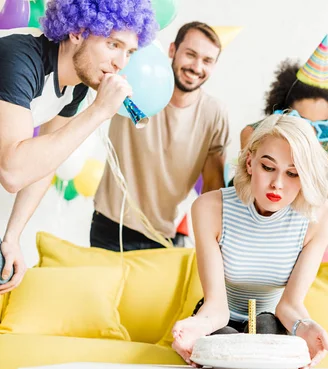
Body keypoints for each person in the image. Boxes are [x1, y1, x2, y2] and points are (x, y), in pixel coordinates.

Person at [171, 113, 328, 369]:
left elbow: (290, 306)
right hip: (220, 319)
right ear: (250, 162)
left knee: (266, 326)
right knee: (223, 344)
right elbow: (216, 307)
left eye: (292, 173)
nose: (277, 184)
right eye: (268, 167)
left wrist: (306, 327)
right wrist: (196, 325)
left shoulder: (320, 217)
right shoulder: (210, 208)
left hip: (274, 321)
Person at [0, 0, 158, 294]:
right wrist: (97, 111)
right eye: (113, 44)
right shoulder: (19, 58)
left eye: (129, 52)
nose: (121, 63)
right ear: (77, 31)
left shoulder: (77, 84)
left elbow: (47, 161)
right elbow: (12, 171)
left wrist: (12, 237)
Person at [90, 22, 230, 251]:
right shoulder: (132, 84)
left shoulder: (215, 114)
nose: (196, 67)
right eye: (190, 55)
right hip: (110, 225)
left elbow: (213, 189)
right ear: (172, 50)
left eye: (207, 61)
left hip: (164, 235)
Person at [239, 35, 328, 165]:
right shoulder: (252, 134)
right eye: (302, 122)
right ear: (283, 111)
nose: (310, 133)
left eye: (321, 125)